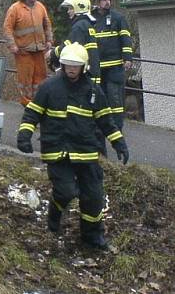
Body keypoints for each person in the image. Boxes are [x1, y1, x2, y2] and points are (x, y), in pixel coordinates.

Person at [17, 43, 129, 250]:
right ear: (62, 64)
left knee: (93, 197)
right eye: (67, 64)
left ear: (83, 67)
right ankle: (55, 214)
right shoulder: (49, 88)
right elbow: (32, 113)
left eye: (75, 65)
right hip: (57, 152)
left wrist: (119, 143)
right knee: (66, 191)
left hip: (85, 153)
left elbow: (106, 121)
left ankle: (92, 237)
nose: (70, 68)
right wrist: (24, 135)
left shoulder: (93, 91)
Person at [3, 0, 54, 107]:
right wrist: (12, 45)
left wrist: (49, 40)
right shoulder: (15, 9)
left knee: (40, 78)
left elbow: (47, 25)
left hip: (39, 49)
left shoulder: (40, 7)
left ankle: (40, 102)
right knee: (25, 79)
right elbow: (7, 28)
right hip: (23, 51)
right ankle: (27, 103)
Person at [91, 0, 134, 130]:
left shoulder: (118, 18)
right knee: (99, 99)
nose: (107, 2)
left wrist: (127, 57)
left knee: (115, 100)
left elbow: (125, 38)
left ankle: (116, 129)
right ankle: (101, 128)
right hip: (96, 68)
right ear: (97, 1)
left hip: (114, 67)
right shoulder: (90, 18)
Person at [50, 0, 101, 86]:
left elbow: (69, 46)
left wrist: (52, 53)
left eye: (71, 8)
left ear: (79, 8)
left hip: (84, 73)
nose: (68, 11)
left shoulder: (79, 26)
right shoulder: (87, 24)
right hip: (92, 70)